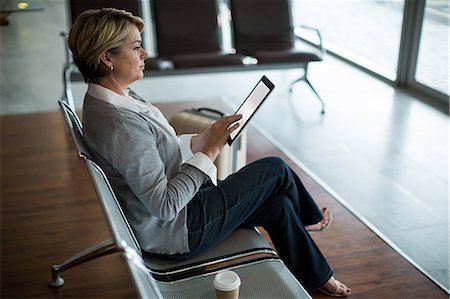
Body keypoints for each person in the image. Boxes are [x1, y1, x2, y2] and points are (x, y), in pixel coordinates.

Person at [68, 8, 351, 297]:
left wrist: (202, 138)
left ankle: (317, 276)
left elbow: (154, 151)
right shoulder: (120, 124)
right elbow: (164, 206)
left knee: (277, 205)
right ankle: (311, 220)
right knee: (275, 169)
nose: (145, 54)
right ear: (107, 57)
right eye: (136, 46)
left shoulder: (109, 99)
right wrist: (211, 149)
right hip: (178, 231)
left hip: (181, 213)